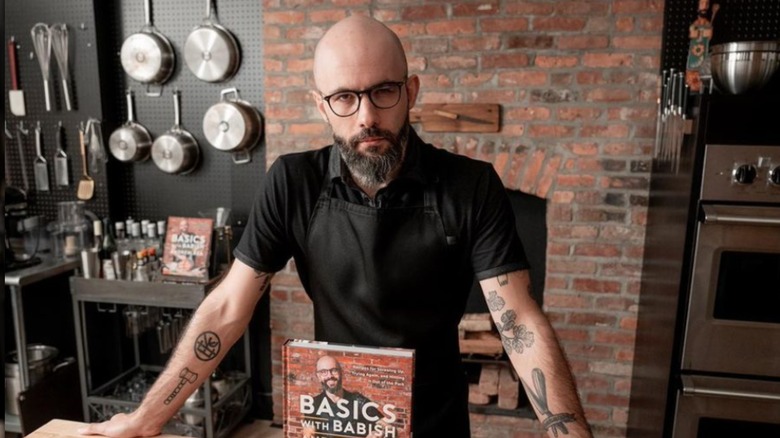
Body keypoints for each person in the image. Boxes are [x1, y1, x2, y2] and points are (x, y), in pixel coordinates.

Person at [80, 14, 592, 438]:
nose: (366, 115)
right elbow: (228, 306)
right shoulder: (292, 182)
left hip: (434, 423)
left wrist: (569, 432)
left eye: (383, 92)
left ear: (410, 91)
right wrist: (147, 419)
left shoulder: (471, 186)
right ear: (321, 104)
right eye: (344, 97)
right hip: (334, 422)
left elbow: (518, 321)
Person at [301, 356, 387, 438]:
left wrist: (377, 432)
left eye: (334, 370)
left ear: (341, 372)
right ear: (318, 377)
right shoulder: (313, 404)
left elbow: (388, 426)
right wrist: (308, 432)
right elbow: (308, 428)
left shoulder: (358, 400)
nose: (329, 376)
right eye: (323, 372)